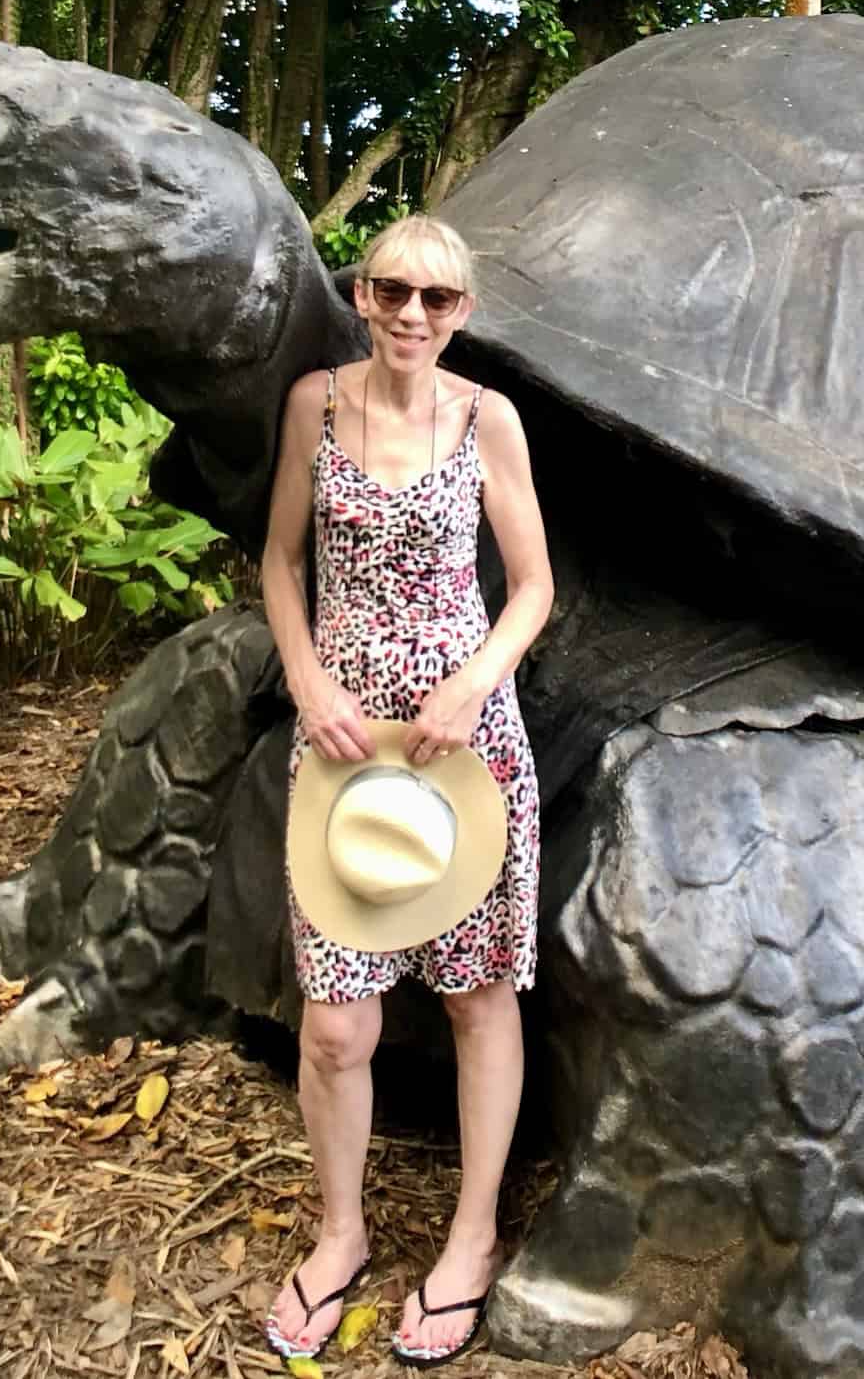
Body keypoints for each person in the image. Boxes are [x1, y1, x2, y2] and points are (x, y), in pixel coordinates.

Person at [259, 215, 553, 1367]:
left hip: (459, 753)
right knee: (337, 1023)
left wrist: (471, 686)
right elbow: (281, 560)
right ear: (361, 294)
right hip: (342, 749)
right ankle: (339, 1233)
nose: (411, 315)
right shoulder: (315, 407)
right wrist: (304, 676)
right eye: (391, 291)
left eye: (435, 298)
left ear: (462, 312)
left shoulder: (488, 420)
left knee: (477, 997)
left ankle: (471, 1237)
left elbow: (531, 588)